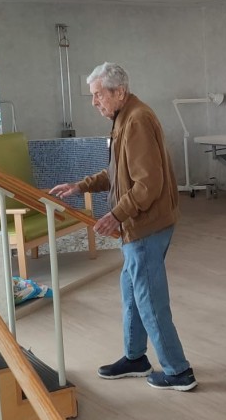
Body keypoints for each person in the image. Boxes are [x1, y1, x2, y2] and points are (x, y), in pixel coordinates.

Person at [49, 62, 195, 392]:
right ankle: (135, 357)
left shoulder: (137, 120)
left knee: (149, 299)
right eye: (93, 95)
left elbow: (148, 184)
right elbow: (118, 173)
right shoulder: (124, 117)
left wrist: (116, 215)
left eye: (99, 94)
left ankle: (178, 371)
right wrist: (81, 186)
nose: (94, 102)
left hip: (145, 226)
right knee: (132, 292)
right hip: (139, 225)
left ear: (119, 92)